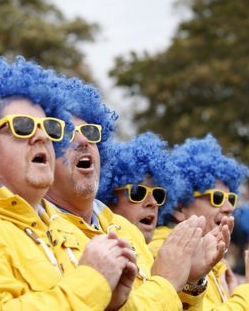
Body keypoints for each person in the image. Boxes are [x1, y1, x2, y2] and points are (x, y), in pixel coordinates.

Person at [0, 54, 139, 310]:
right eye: (22, 126)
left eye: (50, 128)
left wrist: (111, 303)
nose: (41, 136)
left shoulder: (55, 226)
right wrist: (94, 282)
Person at [45, 79, 221, 309]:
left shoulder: (125, 230)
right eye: (137, 192)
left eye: (90, 131)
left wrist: (191, 282)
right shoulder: (40, 229)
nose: (151, 202)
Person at [151, 134, 249, 310]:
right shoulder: (164, 253)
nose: (228, 207)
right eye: (216, 198)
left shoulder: (217, 263)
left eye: (231, 198)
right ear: (179, 208)